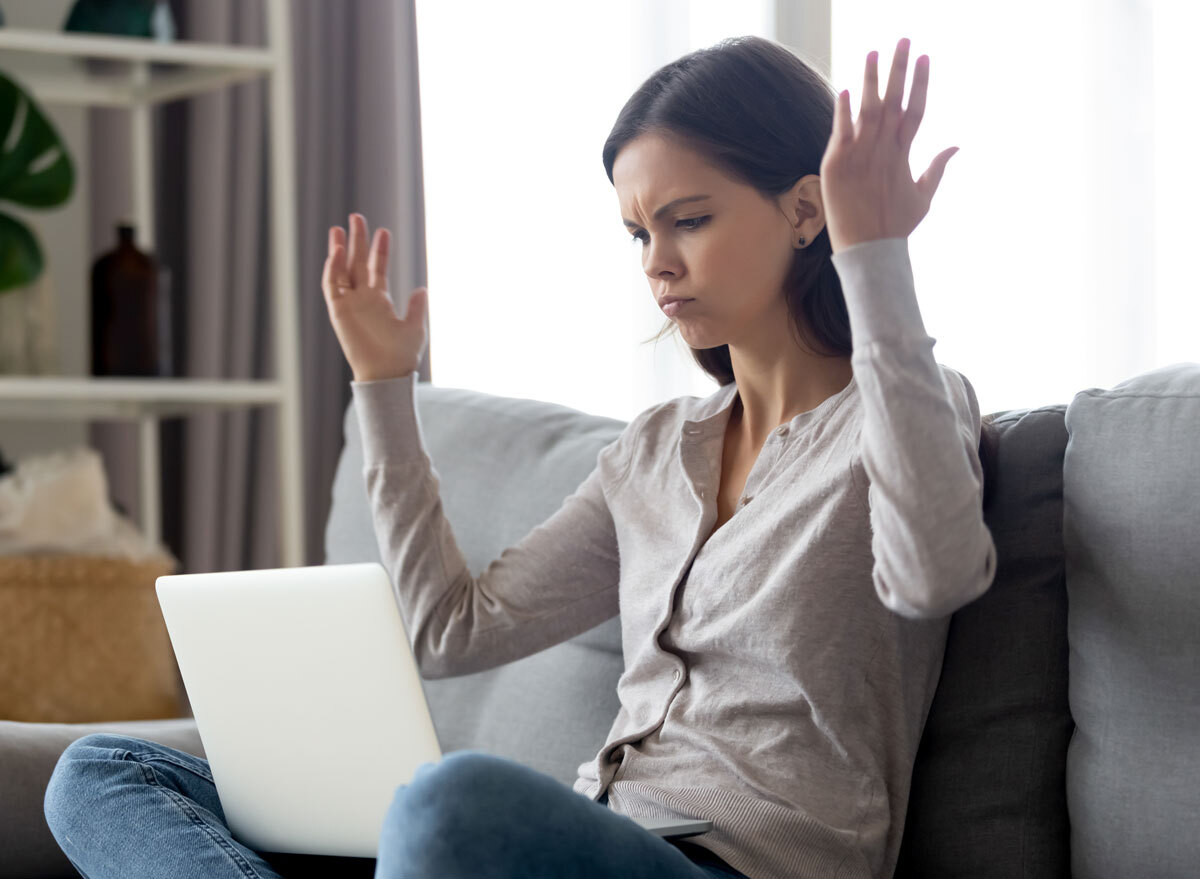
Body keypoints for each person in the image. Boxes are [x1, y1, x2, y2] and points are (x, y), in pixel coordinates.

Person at [43, 34, 996, 879]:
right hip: (583, 838)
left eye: (689, 220)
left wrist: (876, 255)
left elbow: (936, 572)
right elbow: (450, 631)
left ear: (806, 210)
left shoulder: (905, 410)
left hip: (741, 864)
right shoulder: (655, 451)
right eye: (639, 232)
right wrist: (385, 385)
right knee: (103, 772)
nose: (655, 262)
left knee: (448, 801)